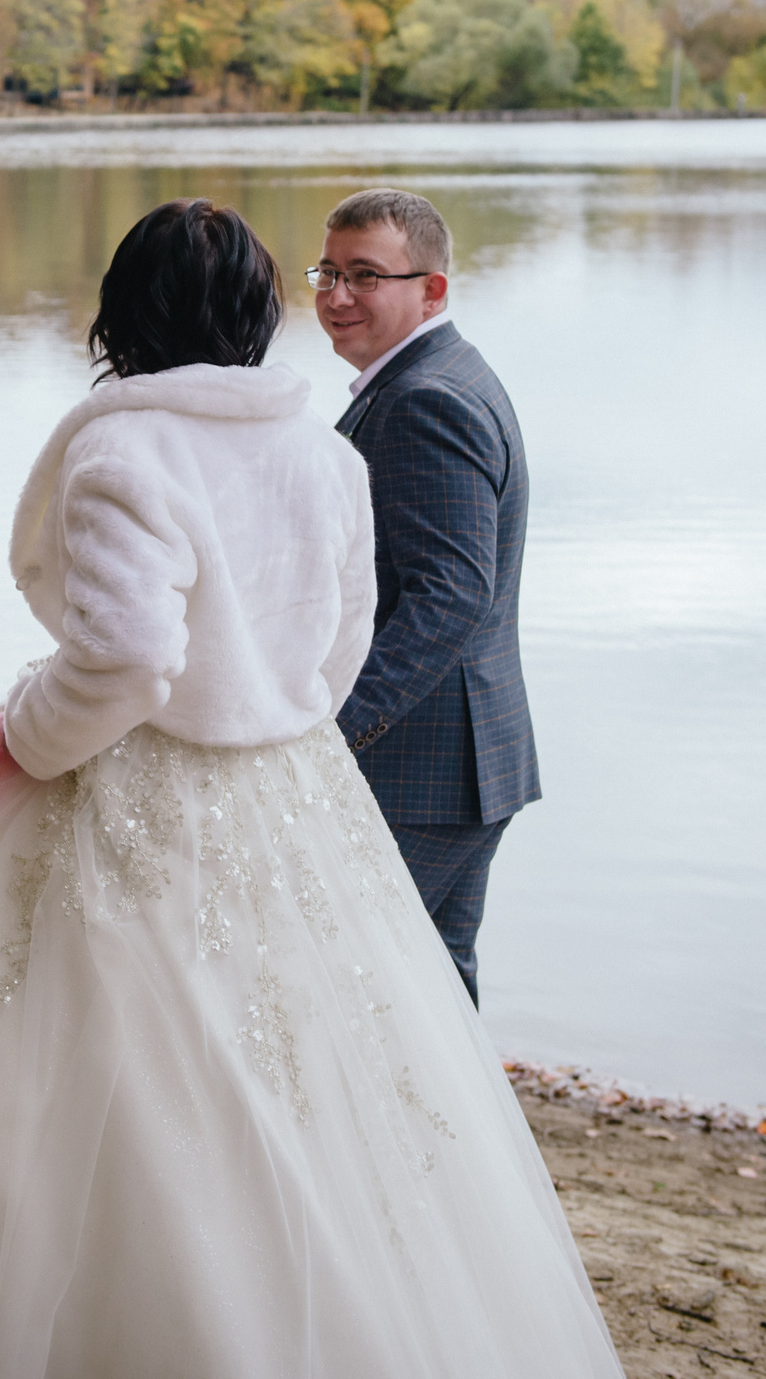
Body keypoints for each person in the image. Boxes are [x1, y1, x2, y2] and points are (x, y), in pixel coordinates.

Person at [0, 199, 620, 1379]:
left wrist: (16, 735)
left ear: (121, 312)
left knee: (54, 1075)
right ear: (253, 314)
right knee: (307, 1068)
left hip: (132, 793)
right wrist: (271, 718)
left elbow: (126, 660)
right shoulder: (323, 451)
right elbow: (343, 643)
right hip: (291, 796)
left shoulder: (123, 448)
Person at [314, 188, 535, 1006]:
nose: (337, 297)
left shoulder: (424, 400)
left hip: (423, 769)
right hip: (464, 761)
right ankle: (469, 1142)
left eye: (365, 275)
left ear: (431, 288)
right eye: (328, 272)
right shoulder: (432, 374)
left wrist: (334, 732)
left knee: (353, 991)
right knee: (432, 1006)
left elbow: (451, 594)